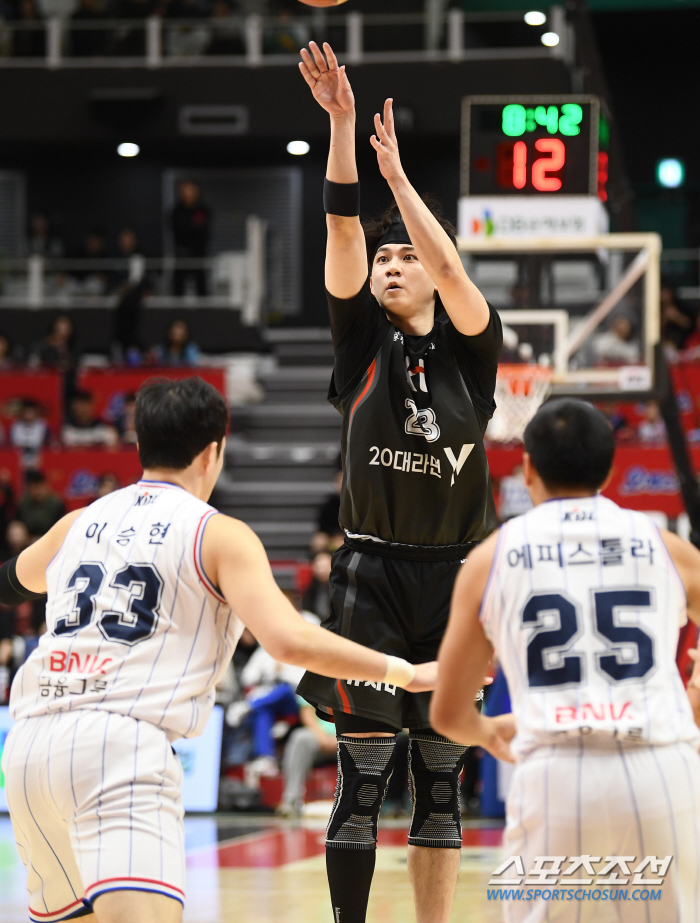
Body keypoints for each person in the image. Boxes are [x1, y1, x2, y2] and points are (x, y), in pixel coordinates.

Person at [0, 375, 435, 923]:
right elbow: (289, 639)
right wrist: (405, 672)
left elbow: (9, 583)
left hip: (29, 746)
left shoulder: (76, 524)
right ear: (214, 451)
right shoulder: (217, 534)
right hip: (119, 746)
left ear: (139, 445)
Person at [294, 42, 502, 923]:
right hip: (373, 577)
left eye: (403, 253)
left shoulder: (473, 355)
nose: (391, 259)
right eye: (386, 256)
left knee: (442, 785)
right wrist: (341, 128)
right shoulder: (359, 348)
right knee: (364, 781)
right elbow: (344, 229)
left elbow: (452, 269)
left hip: (459, 583)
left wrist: (404, 187)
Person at [431, 398, 700, 922]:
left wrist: (488, 733)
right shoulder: (667, 546)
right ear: (610, 468)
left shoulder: (491, 558)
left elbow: (447, 714)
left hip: (555, 776)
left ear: (527, 467)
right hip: (662, 769)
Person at [277, 698, 338, 817]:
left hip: (354, 738)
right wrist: (323, 738)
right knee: (300, 738)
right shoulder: (315, 680)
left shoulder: (365, 681)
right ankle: (291, 801)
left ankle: (369, 804)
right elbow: (307, 713)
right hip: (319, 738)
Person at [171, 179, 211, 296]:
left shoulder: (203, 210)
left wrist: (191, 229)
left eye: (191, 191)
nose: (188, 194)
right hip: (181, 255)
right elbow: (178, 231)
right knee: (178, 290)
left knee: (202, 289)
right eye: (185, 191)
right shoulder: (176, 212)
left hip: (199, 254)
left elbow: (203, 232)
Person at [16, 470, 65, 541]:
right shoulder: (23, 503)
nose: (37, 492)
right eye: (34, 488)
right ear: (29, 489)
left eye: (39, 487)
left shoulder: (56, 503)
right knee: (16, 530)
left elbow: (62, 524)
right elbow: (18, 523)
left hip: (51, 538)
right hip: (28, 540)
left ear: (46, 487)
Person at [9, 400, 50, 468]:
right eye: (27, 412)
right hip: (19, 458)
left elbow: (47, 442)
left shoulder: (42, 425)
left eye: (31, 412)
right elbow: (12, 443)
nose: (29, 415)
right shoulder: (16, 425)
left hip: (38, 457)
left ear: (36, 413)